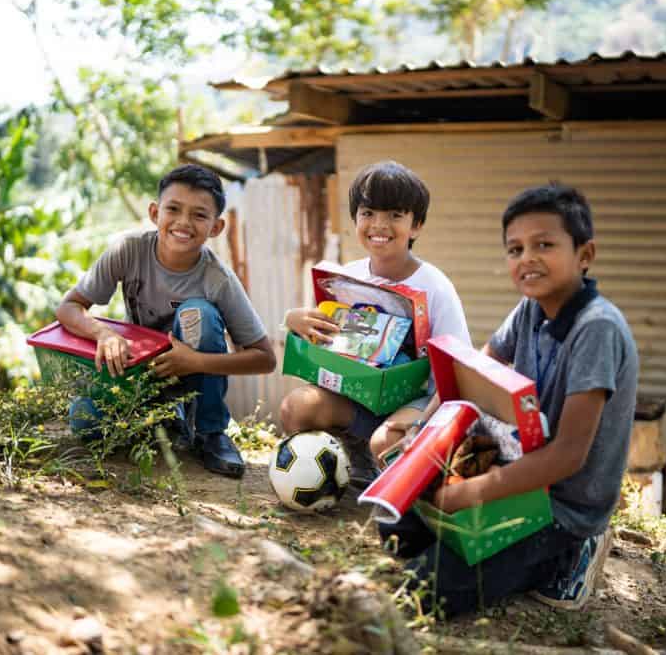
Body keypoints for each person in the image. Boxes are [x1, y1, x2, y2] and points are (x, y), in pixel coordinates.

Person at [378, 182, 638, 616]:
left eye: (544, 245)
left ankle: (572, 554)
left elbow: (567, 458)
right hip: (514, 463)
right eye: (515, 249)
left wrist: (472, 493)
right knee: (395, 528)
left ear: (584, 255)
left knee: (424, 590)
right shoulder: (531, 308)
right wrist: (423, 434)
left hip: (561, 504)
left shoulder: (597, 329)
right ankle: (513, 552)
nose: (527, 259)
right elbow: (477, 367)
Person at [56, 164, 276, 479]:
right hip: (139, 373)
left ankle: (208, 431)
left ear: (216, 227)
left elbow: (264, 358)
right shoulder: (128, 250)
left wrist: (196, 361)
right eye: (173, 209)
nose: (183, 222)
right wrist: (103, 334)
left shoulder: (218, 279)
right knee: (84, 420)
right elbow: (68, 307)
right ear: (155, 212)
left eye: (199, 215)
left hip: (194, 378)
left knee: (198, 312)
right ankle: (160, 422)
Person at [280, 161, 471, 487]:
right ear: (355, 219)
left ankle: (394, 477)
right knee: (295, 408)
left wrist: (423, 423)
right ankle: (345, 464)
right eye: (368, 213)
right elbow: (326, 337)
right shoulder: (346, 278)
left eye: (395, 215)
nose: (379, 225)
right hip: (358, 396)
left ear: (417, 226)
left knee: (386, 442)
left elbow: (458, 368)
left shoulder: (435, 286)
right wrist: (294, 320)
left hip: (418, 404)